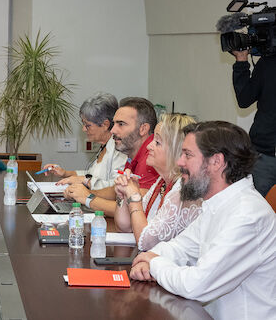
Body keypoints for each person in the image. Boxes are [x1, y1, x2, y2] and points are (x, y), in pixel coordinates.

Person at [130, 121, 276, 319]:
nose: (180, 162)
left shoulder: (248, 215)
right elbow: (181, 247)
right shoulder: (217, 204)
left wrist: (154, 263)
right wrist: (150, 257)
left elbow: (196, 285)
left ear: (216, 161)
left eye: (187, 155)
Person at [113, 113, 202, 250]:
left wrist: (134, 197)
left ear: (176, 151)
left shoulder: (181, 190)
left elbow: (146, 242)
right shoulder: (161, 183)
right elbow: (125, 227)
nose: (149, 146)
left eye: (157, 142)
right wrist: (123, 195)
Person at [64, 97, 160, 216]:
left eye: (121, 124)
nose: (113, 130)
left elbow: (135, 209)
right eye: (114, 124)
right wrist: (86, 193)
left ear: (143, 129)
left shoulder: (151, 158)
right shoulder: (133, 154)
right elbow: (118, 191)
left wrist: (88, 198)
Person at [42, 92, 127, 190]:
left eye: (87, 125)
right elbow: (92, 175)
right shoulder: (105, 146)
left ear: (105, 125)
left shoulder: (120, 149)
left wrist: (84, 181)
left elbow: (116, 186)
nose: (84, 129)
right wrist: (64, 173)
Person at [232, 49, 276, 196]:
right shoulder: (268, 62)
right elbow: (244, 99)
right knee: (255, 206)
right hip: (264, 155)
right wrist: (241, 61)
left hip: (264, 154)